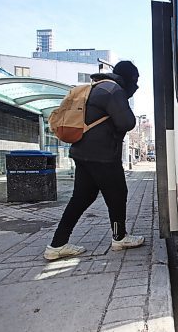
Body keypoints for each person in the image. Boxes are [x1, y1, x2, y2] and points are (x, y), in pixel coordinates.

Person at [44, 61, 144, 260]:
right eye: (136, 79)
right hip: (103, 155)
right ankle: (120, 237)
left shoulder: (96, 87)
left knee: (82, 197)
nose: (136, 84)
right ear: (129, 77)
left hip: (83, 153)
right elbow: (127, 122)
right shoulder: (113, 90)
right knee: (117, 194)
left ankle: (57, 245)